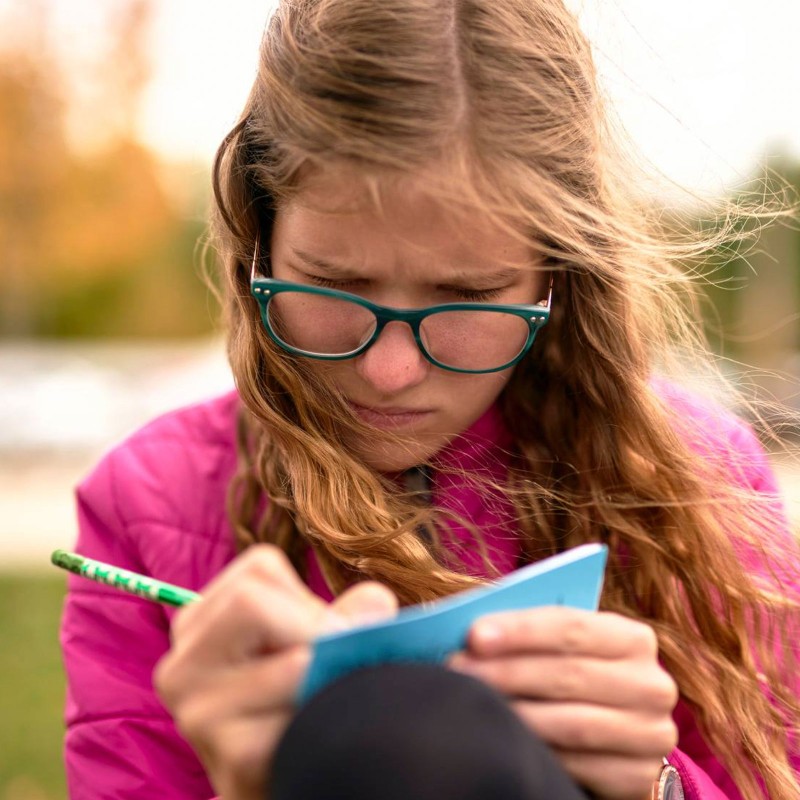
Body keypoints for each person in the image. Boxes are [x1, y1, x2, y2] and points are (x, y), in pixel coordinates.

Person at [59, 0, 800, 798]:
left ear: (560, 277)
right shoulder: (149, 503)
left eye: (468, 296)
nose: (389, 370)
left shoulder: (702, 480)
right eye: (337, 284)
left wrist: (657, 787)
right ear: (258, 238)